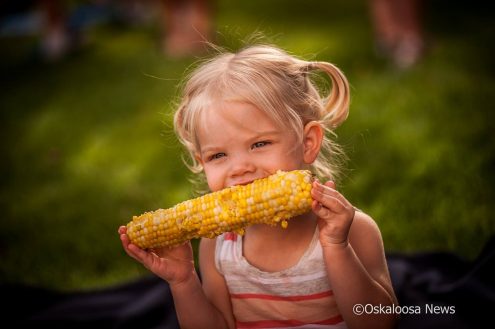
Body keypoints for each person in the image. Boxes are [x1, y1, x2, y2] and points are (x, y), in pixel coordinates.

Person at [118, 44, 398, 328]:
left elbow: (379, 323)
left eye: (259, 144)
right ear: (201, 161)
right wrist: (184, 281)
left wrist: (337, 248)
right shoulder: (217, 246)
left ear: (308, 142)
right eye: (218, 155)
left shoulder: (352, 231)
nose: (240, 167)